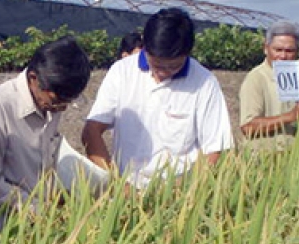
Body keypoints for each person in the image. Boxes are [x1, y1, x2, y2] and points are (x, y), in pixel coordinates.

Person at [82, 8, 233, 189]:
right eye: (157, 64)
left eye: (173, 67)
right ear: (145, 46)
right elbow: (92, 130)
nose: (162, 73)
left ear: (188, 53)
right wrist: (117, 184)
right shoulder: (122, 71)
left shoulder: (204, 82)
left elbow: (216, 148)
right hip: (126, 185)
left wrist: (180, 189)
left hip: (179, 190)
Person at [0, 36, 91, 231]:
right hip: (1, 229)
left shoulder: (51, 103)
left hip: (41, 226)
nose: (60, 109)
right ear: (34, 79)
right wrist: (35, 207)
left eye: (67, 103)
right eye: (56, 101)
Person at [239, 21, 299, 140]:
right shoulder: (256, 78)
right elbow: (248, 127)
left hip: (297, 154)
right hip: (266, 155)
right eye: (278, 50)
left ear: (297, 52)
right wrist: (290, 116)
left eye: (289, 51)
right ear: (266, 49)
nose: (283, 56)